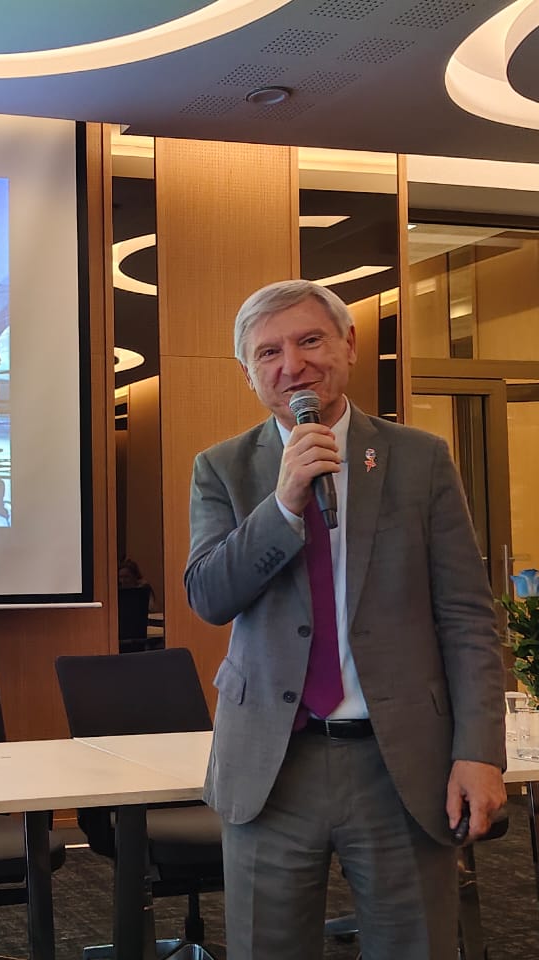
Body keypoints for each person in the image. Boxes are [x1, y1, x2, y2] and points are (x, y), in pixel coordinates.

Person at [185, 279, 505, 959]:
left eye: (309, 341)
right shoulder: (222, 469)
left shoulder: (420, 460)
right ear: (248, 373)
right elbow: (209, 596)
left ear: (349, 345)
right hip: (272, 764)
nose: (291, 365)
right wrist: (283, 504)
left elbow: (468, 617)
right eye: (268, 352)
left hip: (402, 763)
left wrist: (479, 750)